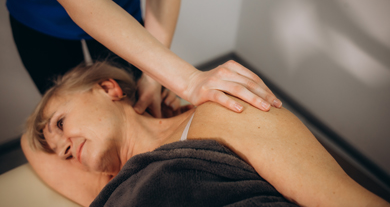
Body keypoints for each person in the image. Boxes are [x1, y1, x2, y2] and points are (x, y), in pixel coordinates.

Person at [22, 61, 389, 207]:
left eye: (60, 124)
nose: (67, 148)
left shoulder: (221, 114)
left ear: (107, 88)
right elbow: (30, 146)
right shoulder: (107, 183)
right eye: (64, 154)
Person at [7, 0, 282, 117]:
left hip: (122, 6)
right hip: (38, 17)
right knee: (70, 117)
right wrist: (187, 79)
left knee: (144, 105)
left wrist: (153, 75)